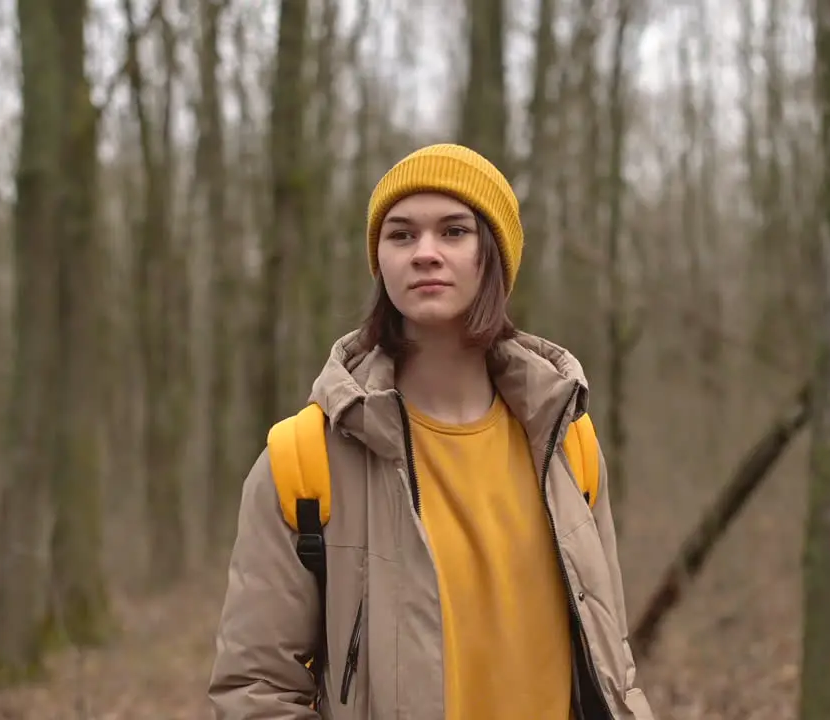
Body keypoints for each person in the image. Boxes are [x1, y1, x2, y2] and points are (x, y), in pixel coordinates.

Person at [207, 143, 655, 720]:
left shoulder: (568, 442)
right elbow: (256, 694)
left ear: (493, 255)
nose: (425, 253)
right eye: (400, 235)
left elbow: (613, 664)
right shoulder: (302, 460)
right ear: (380, 262)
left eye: (453, 231)